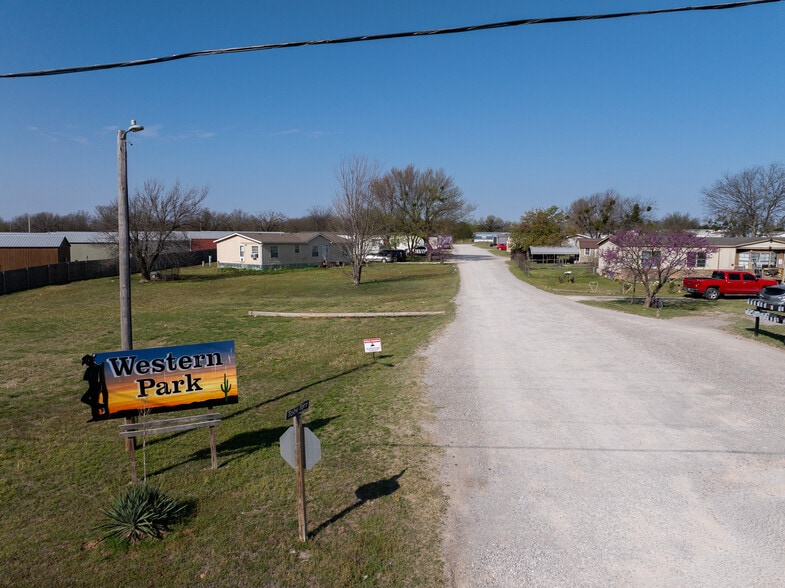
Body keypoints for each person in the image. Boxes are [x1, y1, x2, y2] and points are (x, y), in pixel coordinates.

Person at [80, 354, 108, 420]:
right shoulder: (94, 368)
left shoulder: (96, 368)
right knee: (91, 400)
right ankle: (97, 413)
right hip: (93, 387)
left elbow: (86, 378)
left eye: (86, 362)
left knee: (87, 399)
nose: (86, 364)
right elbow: (85, 378)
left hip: (95, 387)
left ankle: (100, 409)